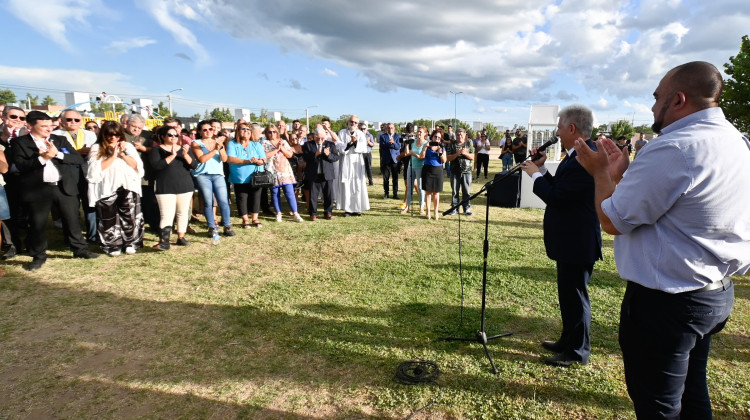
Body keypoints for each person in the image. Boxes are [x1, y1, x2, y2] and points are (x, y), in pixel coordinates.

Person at [575, 61, 750, 419]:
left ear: (679, 99)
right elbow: (668, 209)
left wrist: (600, 174)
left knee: (659, 405)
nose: (653, 108)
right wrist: (621, 177)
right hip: (712, 292)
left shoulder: (674, 147)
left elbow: (611, 220)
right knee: (691, 396)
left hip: (668, 303)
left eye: (657, 99)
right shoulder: (735, 140)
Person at [520, 104, 602, 367]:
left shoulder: (586, 157)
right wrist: (542, 170)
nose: (556, 132)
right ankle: (568, 340)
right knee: (568, 296)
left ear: (571, 128)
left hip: (577, 239)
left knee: (576, 297)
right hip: (570, 238)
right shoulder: (576, 154)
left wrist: (533, 176)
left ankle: (577, 352)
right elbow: (562, 188)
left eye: (558, 127)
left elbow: (557, 198)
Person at [12, 111, 99, 270]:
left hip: (63, 186)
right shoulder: (20, 143)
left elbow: (77, 159)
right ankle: (38, 256)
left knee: (72, 219)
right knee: (37, 223)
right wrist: (43, 157)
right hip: (37, 189)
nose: (48, 129)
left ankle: (80, 249)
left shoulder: (59, 140)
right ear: (30, 126)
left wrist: (57, 154)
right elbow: (21, 166)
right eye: (43, 126)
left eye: (50, 125)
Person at [86, 121, 144, 256]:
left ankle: (130, 242)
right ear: (103, 134)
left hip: (127, 184)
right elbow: (94, 170)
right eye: (109, 134)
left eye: (117, 134)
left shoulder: (127, 146)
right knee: (108, 217)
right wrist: (113, 156)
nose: (113, 138)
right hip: (107, 186)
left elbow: (136, 165)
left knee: (130, 215)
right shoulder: (97, 147)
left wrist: (123, 154)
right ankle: (112, 245)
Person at [148, 125, 197, 250]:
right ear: (163, 136)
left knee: (182, 212)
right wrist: (172, 155)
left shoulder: (184, 149)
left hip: (185, 185)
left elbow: (194, 165)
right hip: (165, 187)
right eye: (170, 135)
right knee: (167, 214)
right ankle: (164, 241)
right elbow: (156, 166)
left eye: (176, 135)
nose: (174, 137)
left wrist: (186, 155)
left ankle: (181, 237)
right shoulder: (156, 150)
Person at [53, 109, 98, 243]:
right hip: (66, 175)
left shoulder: (90, 134)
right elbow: (55, 155)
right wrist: (78, 153)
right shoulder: (55, 135)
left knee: (91, 205)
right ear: (61, 121)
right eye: (69, 119)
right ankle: (72, 239)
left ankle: (93, 236)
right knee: (70, 209)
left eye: (76, 120)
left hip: (86, 173)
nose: (73, 122)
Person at [192, 120, 235, 243]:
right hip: (203, 175)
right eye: (204, 130)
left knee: (223, 201)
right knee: (208, 201)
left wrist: (220, 148)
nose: (208, 132)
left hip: (218, 175)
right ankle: (212, 227)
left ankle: (227, 226)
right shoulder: (196, 143)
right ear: (200, 132)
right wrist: (215, 149)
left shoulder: (218, 142)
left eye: (210, 129)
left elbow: (225, 159)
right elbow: (202, 159)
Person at [226, 122, 266, 228]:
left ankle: (255, 219)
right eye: (243, 129)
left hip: (256, 177)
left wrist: (258, 161)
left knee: (256, 197)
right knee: (242, 198)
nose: (246, 131)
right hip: (239, 177)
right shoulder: (232, 144)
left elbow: (264, 159)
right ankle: (245, 220)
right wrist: (247, 161)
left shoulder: (256, 144)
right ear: (238, 131)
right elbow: (230, 158)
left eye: (248, 129)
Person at [262, 123, 304, 222]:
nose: (272, 134)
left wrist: (282, 148)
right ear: (267, 133)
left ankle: (295, 213)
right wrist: (276, 149)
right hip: (272, 171)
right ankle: (278, 213)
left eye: (274, 131)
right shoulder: (264, 143)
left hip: (285, 170)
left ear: (277, 132)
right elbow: (265, 155)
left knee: (289, 192)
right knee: (275, 192)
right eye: (269, 132)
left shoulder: (283, 141)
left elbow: (290, 155)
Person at [302, 127, 341, 220]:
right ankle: (313, 214)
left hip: (327, 174)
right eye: (317, 137)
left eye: (322, 138)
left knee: (328, 195)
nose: (320, 140)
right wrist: (315, 154)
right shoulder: (307, 145)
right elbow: (305, 157)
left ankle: (328, 213)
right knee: (313, 195)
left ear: (325, 137)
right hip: (313, 174)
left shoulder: (330, 144)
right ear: (314, 136)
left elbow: (336, 157)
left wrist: (328, 155)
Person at [336, 115, 370, 216]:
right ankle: (348, 209)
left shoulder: (360, 133)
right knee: (347, 184)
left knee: (357, 184)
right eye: (351, 122)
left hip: (357, 162)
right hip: (346, 161)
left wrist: (355, 143)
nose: (353, 124)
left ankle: (357, 208)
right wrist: (350, 143)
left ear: (357, 124)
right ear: (348, 122)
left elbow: (364, 148)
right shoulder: (342, 132)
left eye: (355, 122)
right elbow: (339, 146)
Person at [445, 128, 474, 216]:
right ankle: (454, 208)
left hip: (467, 171)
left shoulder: (469, 143)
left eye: (461, 134)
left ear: (465, 135)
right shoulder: (451, 145)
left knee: (466, 191)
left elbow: (473, 157)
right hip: (454, 171)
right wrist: (457, 154)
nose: (459, 136)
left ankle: (466, 208)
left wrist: (465, 153)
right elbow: (448, 158)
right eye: (458, 134)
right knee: (455, 191)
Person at [419, 130, 447, 220]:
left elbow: (444, 161)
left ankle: (435, 212)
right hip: (427, 169)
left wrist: (440, 152)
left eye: (439, 137)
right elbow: (421, 157)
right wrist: (425, 147)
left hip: (438, 170)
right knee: (428, 192)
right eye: (435, 137)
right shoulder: (427, 146)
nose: (437, 139)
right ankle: (428, 212)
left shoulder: (442, 147)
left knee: (436, 193)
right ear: (432, 137)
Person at [401, 125, 428, 215]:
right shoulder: (413, 141)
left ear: (425, 134)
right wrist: (407, 144)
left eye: (421, 132)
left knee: (420, 188)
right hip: (411, 166)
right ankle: (407, 206)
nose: (418, 133)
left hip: (420, 167)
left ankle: (421, 207)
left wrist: (414, 154)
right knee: (409, 187)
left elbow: (422, 157)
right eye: (418, 131)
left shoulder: (426, 143)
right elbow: (406, 153)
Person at [378, 123, 401, 199]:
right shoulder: (383, 136)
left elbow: (398, 147)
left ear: (394, 128)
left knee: (395, 178)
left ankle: (395, 194)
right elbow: (382, 146)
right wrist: (389, 143)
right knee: (386, 178)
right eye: (388, 128)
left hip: (395, 160)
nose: (390, 129)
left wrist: (393, 143)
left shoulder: (398, 136)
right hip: (386, 159)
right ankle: (386, 193)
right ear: (386, 129)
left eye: (391, 128)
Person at [360, 122, 375, 186]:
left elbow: (372, 145)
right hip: (361, 153)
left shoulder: (369, 135)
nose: (363, 130)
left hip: (368, 153)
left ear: (366, 129)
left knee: (369, 167)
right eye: (361, 129)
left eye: (364, 128)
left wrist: (368, 141)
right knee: (361, 168)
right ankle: (362, 181)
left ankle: (370, 181)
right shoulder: (358, 135)